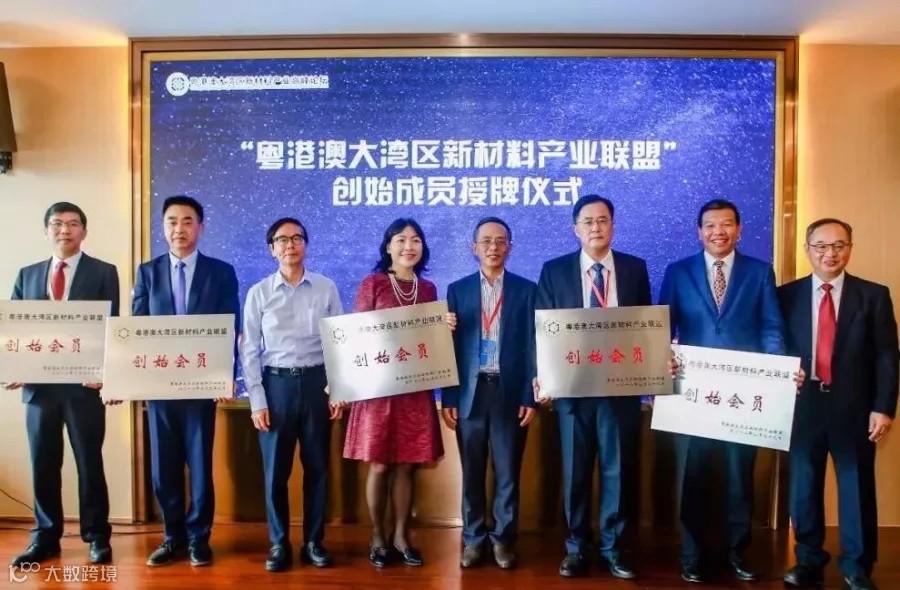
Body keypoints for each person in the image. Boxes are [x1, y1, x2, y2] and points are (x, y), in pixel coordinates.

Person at [659, 198, 800, 583]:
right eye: (710, 225)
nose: (718, 232)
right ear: (699, 231)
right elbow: (662, 327)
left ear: (739, 229)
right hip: (691, 393)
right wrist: (661, 362)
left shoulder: (759, 272)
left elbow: (771, 327)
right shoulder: (678, 271)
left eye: (726, 224)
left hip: (743, 393)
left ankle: (737, 551)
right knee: (691, 476)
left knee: (740, 474)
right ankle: (691, 554)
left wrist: (776, 369)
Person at [778, 218, 898, 590]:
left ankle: (857, 567)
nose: (829, 253)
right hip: (803, 405)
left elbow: (887, 355)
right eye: (821, 246)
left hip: (855, 408)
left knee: (856, 486)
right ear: (807, 249)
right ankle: (808, 561)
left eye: (838, 245)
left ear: (849, 248)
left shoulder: (873, 295)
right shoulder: (786, 295)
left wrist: (884, 407)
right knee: (804, 486)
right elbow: (773, 346)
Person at [533, 194, 649, 580]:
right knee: (575, 472)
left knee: (618, 471)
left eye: (602, 220)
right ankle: (576, 548)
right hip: (571, 389)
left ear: (613, 225)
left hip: (619, 388)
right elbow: (543, 329)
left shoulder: (634, 269)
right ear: (576, 229)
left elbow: (644, 328)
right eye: (588, 221)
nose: (595, 227)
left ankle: (615, 548)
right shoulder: (554, 271)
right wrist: (543, 376)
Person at [6, 202, 120, 567]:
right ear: (46, 230)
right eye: (56, 224)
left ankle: (97, 536)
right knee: (43, 462)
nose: (64, 230)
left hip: (83, 386)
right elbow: (16, 328)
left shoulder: (103, 272)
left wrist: (107, 374)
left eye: (72, 224)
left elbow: (112, 327)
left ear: (84, 231)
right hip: (39, 388)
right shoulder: (27, 274)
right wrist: (14, 366)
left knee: (89, 462)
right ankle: (45, 536)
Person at [132, 195, 240, 567]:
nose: (180, 228)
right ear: (163, 227)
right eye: (172, 221)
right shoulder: (147, 273)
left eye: (188, 221)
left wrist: (225, 375)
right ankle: (172, 536)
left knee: (199, 465)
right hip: (159, 385)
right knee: (164, 468)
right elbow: (136, 329)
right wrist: (132, 378)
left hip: (201, 385)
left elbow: (230, 327)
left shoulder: (220, 272)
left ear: (201, 227)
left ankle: (198, 538)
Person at [343, 218, 456, 568]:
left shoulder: (429, 289)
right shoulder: (373, 283)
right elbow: (357, 334)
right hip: (378, 390)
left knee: (408, 465)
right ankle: (378, 536)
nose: (409, 246)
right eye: (401, 239)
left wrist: (444, 328)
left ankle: (402, 536)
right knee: (379, 465)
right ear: (388, 247)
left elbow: (429, 343)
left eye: (416, 240)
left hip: (414, 390)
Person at [240, 217, 346, 572]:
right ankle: (279, 542)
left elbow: (338, 342)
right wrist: (257, 400)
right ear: (272, 249)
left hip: (317, 384)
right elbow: (249, 350)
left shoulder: (326, 288)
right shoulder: (259, 293)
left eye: (297, 238)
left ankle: (314, 541)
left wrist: (338, 389)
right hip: (276, 386)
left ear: (306, 245)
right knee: (276, 473)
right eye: (282, 239)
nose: (290, 244)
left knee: (317, 469)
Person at [443, 217, 537, 570]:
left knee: (508, 471)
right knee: (472, 471)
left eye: (500, 241)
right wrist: (449, 397)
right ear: (474, 248)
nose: (493, 247)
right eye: (486, 241)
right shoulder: (458, 290)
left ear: (510, 247)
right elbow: (449, 348)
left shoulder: (527, 290)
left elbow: (533, 346)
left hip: (509, 393)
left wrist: (529, 395)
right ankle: (473, 539)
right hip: (470, 392)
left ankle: (503, 539)